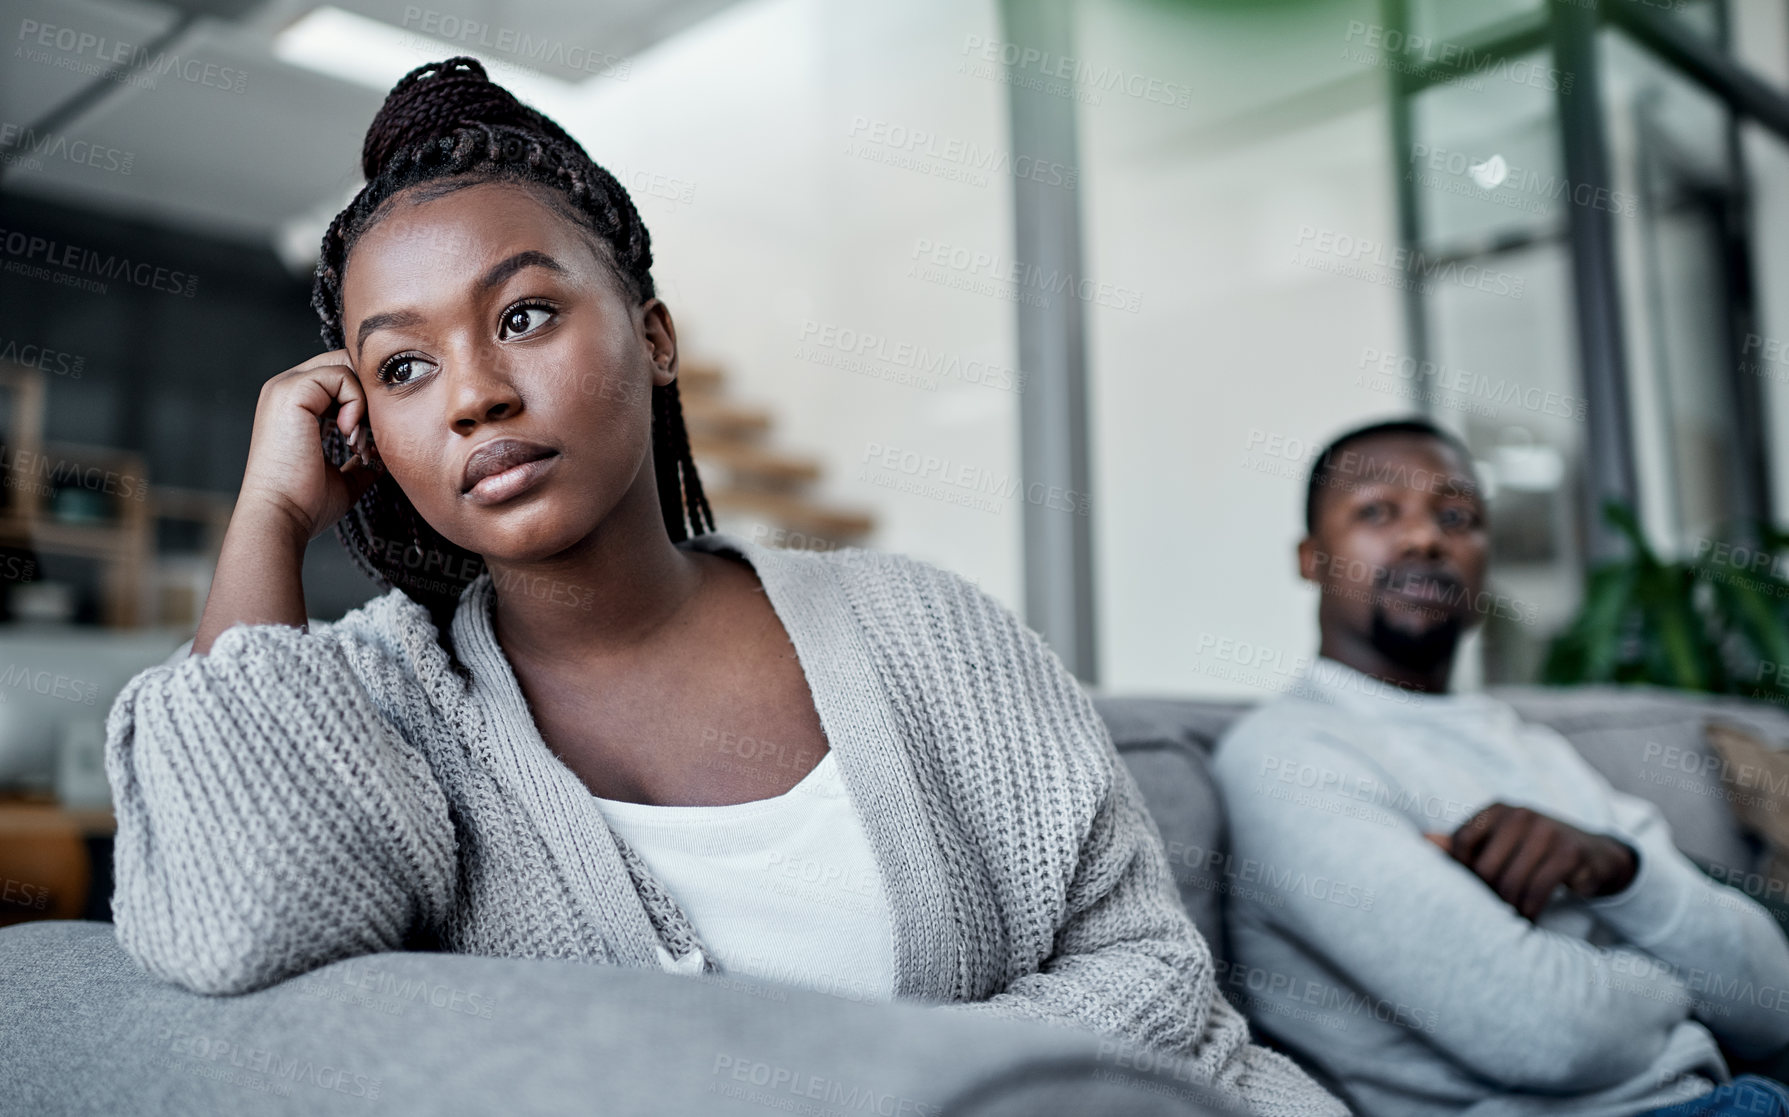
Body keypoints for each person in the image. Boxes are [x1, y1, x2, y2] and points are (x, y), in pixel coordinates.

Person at [101, 57, 1345, 1115]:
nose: (474, 389)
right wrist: (266, 518)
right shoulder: (389, 713)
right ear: (362, 424)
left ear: (651, 337)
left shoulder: (926, 631)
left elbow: (1147, 968)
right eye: (406, 367)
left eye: (525, 315)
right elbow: (240, 922)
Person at [1209, 417, 1789, 1115]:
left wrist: (1618, 869)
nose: (1425, 538)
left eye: (1458, 516)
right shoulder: (1286, 756)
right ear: (1310, 557)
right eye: (1375, 511)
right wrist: (1682, 987)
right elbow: (1553, 1034)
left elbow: (1772, 1002)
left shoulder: (1534, 747)